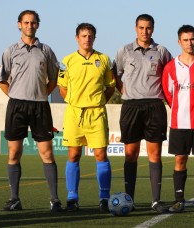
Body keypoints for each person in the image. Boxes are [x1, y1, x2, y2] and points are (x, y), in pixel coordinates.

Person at [0, 10, 62, 212]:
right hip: (17, 106)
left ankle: (54, 200)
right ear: (19, 25)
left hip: (40, 106)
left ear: (37, 25)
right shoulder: (10, 51)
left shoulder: (47, 50)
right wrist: (16, 96)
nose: (29, 26)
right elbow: (2, 80)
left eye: (33, 23)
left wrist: (40, 95)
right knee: (14, 152)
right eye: (26, 22)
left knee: (47, 153)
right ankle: (14, 199)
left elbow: (53, 79)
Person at [113, 14, 172, 213]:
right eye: (141, 27)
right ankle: (129, 200)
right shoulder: (124, 51)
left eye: (148, 28)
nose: (144, 31)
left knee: (154, 154)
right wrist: (126, 91)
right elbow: (116, 75)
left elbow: (171, 75)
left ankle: (156, 201)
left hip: (154, 105)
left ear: (153, 29)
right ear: (135, 28)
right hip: (130, 106)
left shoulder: (162, 51)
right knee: (131, 154)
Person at [58, 23, 115, 212]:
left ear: (94, 38)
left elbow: (110, 87)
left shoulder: (104, 59)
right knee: (74, 154)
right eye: (83, 36)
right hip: (74, 113)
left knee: (101, 155)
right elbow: (63, 88)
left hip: (97, 113)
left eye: (90, 36)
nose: (87, 39)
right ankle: (72, 198)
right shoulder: (67, 61)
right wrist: (76, 102)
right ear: (77, 38)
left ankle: (104, 198)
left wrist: (97, 102)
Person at [162, 25, 194, 213]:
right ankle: (179, 200)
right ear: (179, 42)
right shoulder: (170, 67)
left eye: (192, 39)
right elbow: (168, 94)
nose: (189, 43)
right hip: (179, 122)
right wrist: (180, 106)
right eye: (185, 40)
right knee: (180, 160)